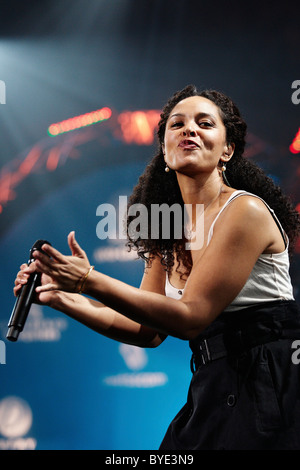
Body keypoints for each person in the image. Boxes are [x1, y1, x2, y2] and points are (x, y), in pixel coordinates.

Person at [14, 85, 300, 450]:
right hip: (215, 381)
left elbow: (191, 316)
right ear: (165, 150)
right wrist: (62, 298)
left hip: (270, 384)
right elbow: (146, 331)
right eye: (177, 124)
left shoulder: (244, 211)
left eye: (204, 123)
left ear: (227, 149)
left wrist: (87, 279)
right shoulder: (168, 228)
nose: (189, 130)